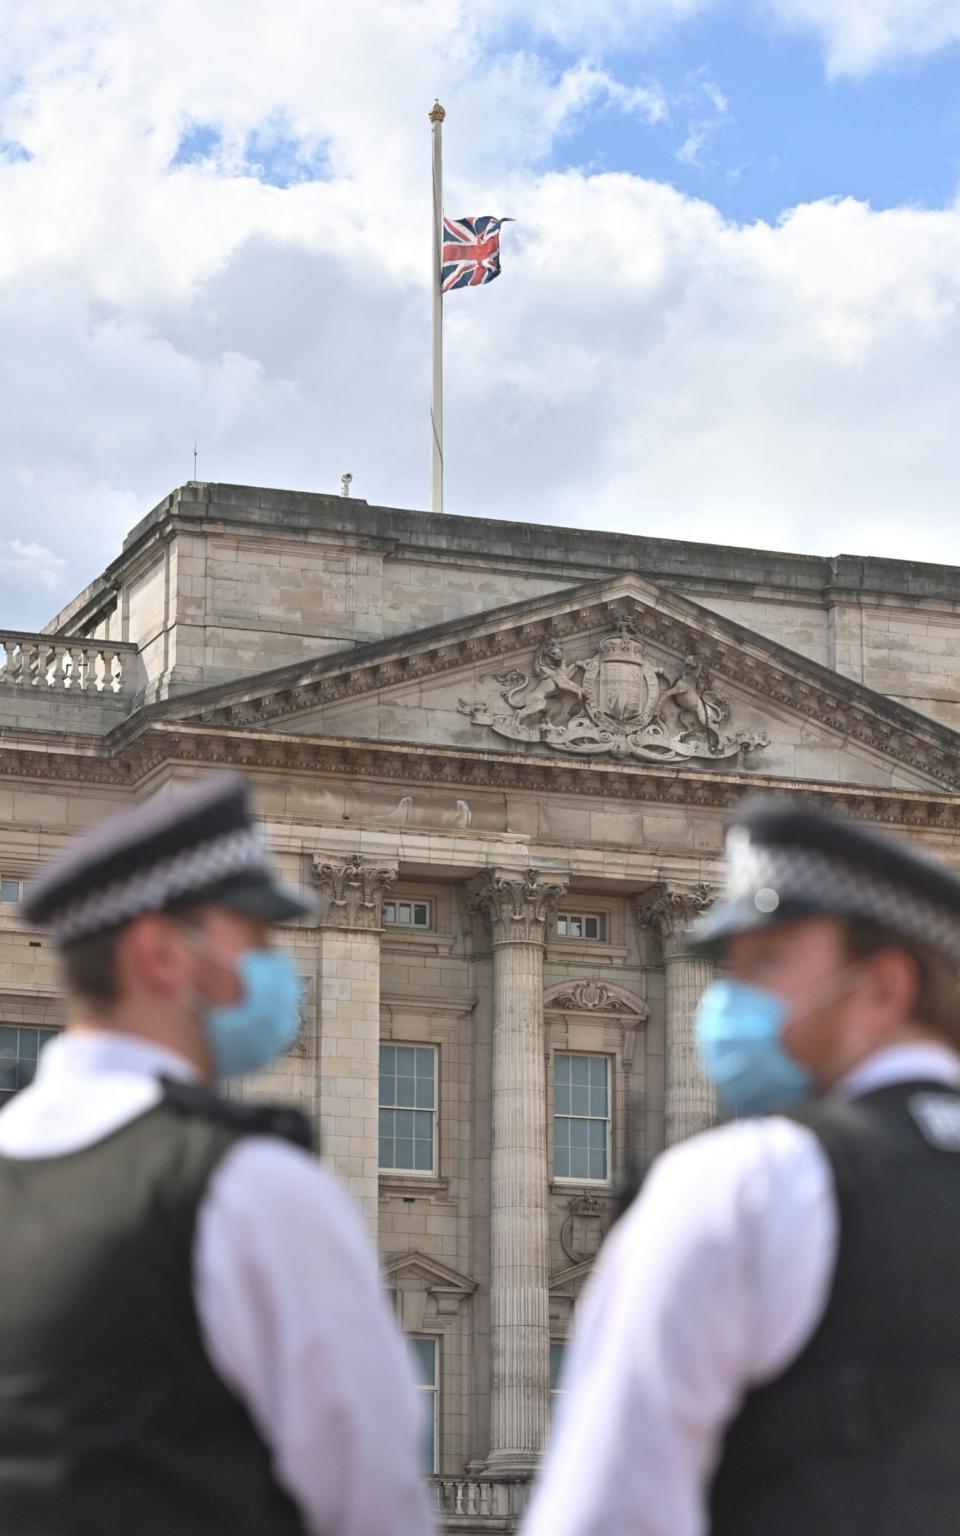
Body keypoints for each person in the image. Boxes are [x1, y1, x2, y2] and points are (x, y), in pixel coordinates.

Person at [0, 773, 432, 1536]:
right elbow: (376, 1502)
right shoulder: (251, 1186)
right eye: (254, 936)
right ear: (162, 953)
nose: (275, 964)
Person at [523, 797, 960, 1536]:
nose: (727, 999)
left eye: (769, 960)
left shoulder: (748, 1184)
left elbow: (607, 1515)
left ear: (884, 987)